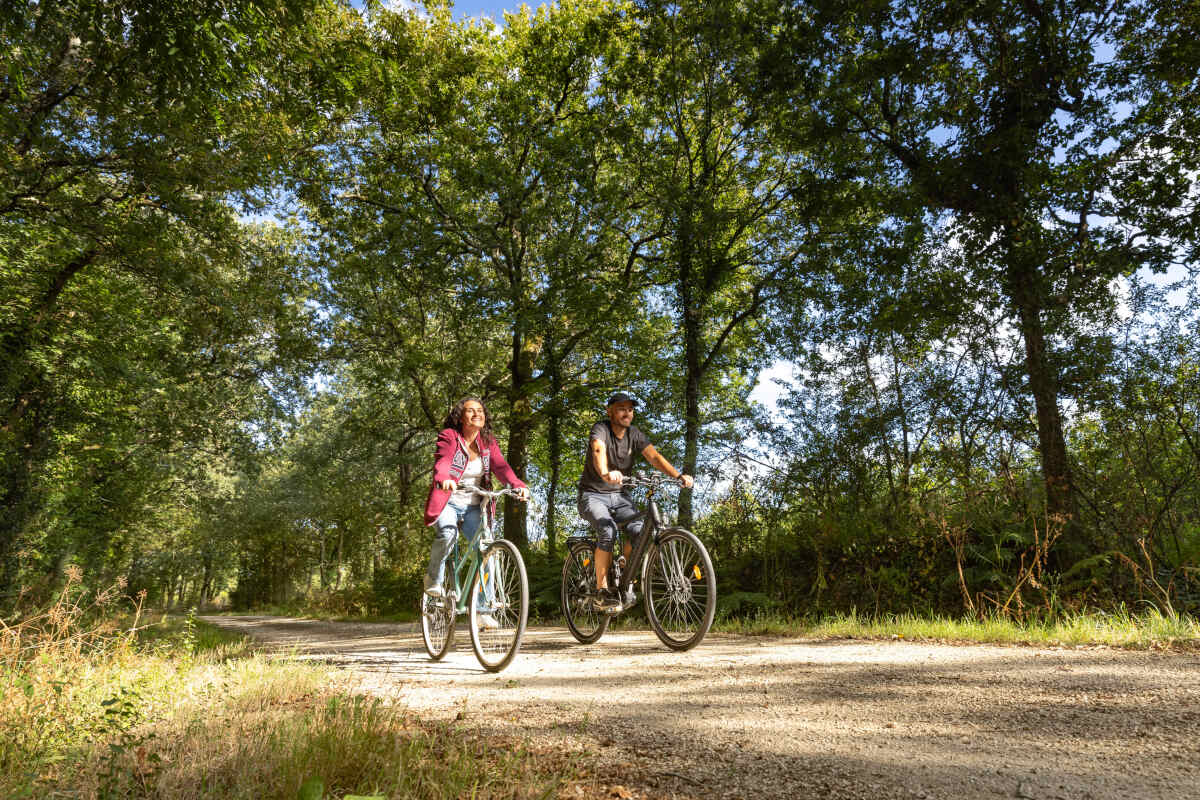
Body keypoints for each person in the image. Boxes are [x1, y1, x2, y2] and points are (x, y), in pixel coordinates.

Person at [577, 392, 693, 611]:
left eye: (630, 409)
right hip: (592, 495)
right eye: (621, 408)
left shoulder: (635, 434)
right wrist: (605, 472)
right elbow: (598, 449)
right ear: (609, 411)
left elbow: (654, 457)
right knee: (608, 530)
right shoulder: (601, 428)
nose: (626, 413)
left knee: (641, 532)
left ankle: (625, 572)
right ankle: (601, 591)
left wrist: (678, 476)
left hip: (620, 496)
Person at [424, 397, 529, 628]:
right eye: (470, 411)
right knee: (447, 535)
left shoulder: (487, 442)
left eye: (480, 411)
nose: (476, 414)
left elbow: (501, 467)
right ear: (460, 417)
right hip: (449, 501)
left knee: (488, 549)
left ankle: (483, 609)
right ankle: (434, 579)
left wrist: (517, 484)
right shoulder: (450, 437)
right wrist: (443, 478)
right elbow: (443, 461)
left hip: (475, 506)